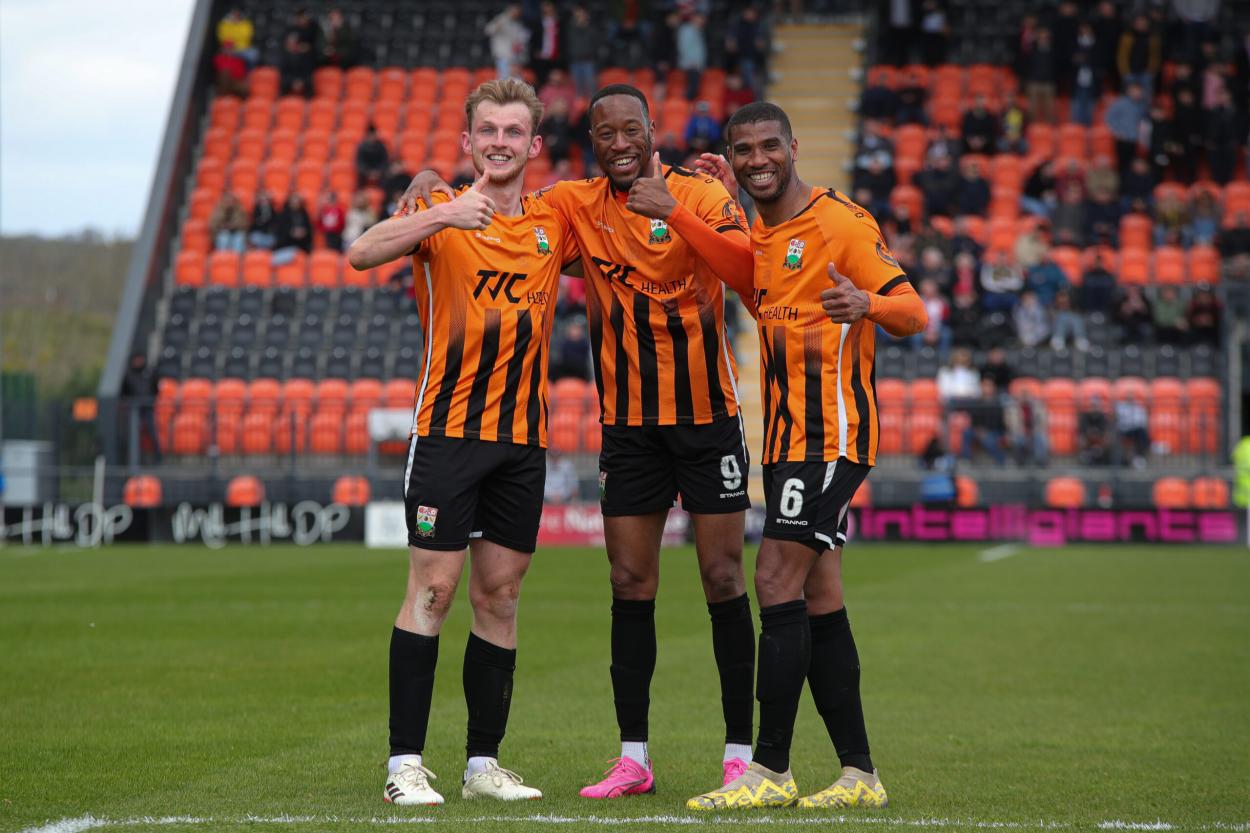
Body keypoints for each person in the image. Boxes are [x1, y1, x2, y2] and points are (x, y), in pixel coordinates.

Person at [401, 83, 761, 798]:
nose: (620, 141)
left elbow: (749, 274)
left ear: (653, 130)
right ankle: (634, 756)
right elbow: (505, 217)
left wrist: (680, 216)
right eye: (605, 133)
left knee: (723, 578)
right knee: (630, 584)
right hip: (627, 429)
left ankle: (740, 753)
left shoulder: (701, 192)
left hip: (708, 418)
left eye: (632, 129)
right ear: (591, 142)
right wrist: (426, 186)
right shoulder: (573, 205)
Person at [687, 101, 925, 811]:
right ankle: (860, 774)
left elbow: (913, 310)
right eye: (743, 150)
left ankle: (771, 768)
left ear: (793, 146)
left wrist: (868, 305)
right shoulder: (767, 230)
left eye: (768, 146)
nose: (757, 159)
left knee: (772, 578)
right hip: (788, 441)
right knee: (820, 594)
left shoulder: (842, 223)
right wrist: (709, 208)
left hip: (831, 436)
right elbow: (756, 279)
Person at [347, 79, 580, 806]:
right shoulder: (439, 210)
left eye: (515, 131)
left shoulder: (553, 224)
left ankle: (484, 764)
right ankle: (403, 764)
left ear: (534, 145)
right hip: (448, 433)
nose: (501, 142)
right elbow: (361, 252)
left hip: (522, 442)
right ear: (467, 141)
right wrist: (444, 210)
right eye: (489, 131)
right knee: (434, 589)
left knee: (500, 595)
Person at [485, 4, 528, 80]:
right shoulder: (501, 19)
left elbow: (521, 41)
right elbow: (488, 31)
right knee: (503, 78)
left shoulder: (518, 24)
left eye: (518, 11)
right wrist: (502, 20)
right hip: (503, 55)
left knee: (516, 80)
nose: (516, 13)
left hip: (514, 57)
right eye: (514, 11)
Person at [566, 6, 599, 100]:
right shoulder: (570, 28)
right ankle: (578, 111)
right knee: (577, 92)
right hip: (574, 62)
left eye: (581, 13)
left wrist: (584, 26)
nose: (579, 15)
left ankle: (591, 111)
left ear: (586, 14)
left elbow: (595, 45)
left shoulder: (592, 28)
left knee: (591, 91)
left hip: (588, 61)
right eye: (577, 13)